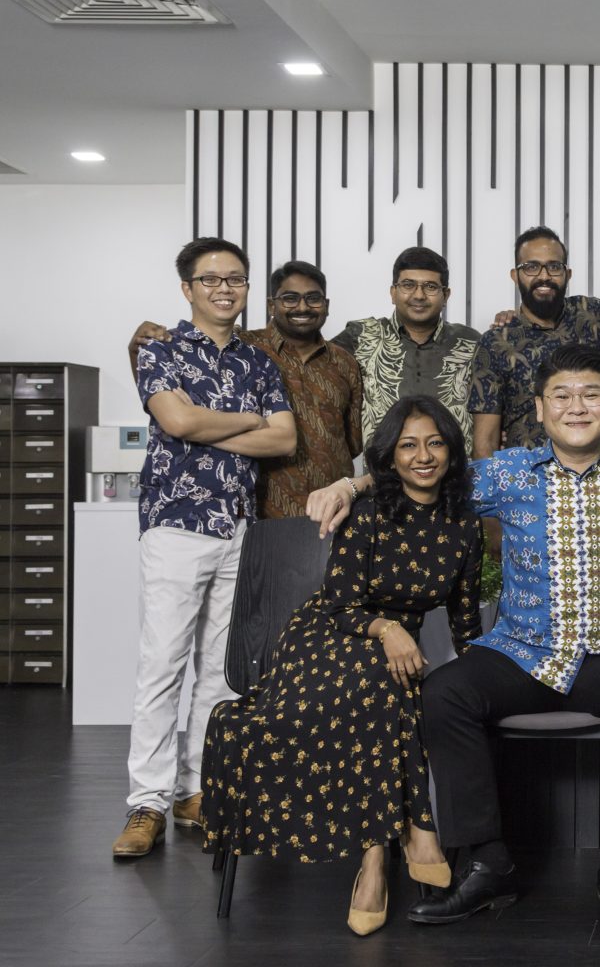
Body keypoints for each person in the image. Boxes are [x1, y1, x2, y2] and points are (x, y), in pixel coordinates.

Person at [200, 395, 483, 936]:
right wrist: (390, 629)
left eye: (434, 443)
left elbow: (465, 620)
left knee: (390, 679)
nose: (423, 456)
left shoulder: (464, 527)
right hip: (327, 639)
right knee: (390, 672)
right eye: (408, 446)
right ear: (391, 457)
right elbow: (340, 604)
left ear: (451, 450)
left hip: (389, 655)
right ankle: (412, 835)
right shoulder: (371, 513)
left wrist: (481, 678)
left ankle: (375, 857)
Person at [112, 236, 296, 858]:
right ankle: (146, 801)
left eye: (236, 279)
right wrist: (246, 420)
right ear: (187, 288)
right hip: (175, 522)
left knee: (220, 670)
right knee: (163, 664)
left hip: (238, 526)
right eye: (211, 279)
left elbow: (284, 440)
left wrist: (205, 424)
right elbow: (177, 422)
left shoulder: (259, 362)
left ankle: (195, 790)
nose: (225, 288)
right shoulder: (158, 349)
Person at [407, 342, 600, 923]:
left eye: (591, 394)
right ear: (539, 409)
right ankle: (489, 867)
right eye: (562, 396)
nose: (577, 407)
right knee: (445, 693)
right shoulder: (511, 471)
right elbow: (423, 476)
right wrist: (350, 486)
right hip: (524, 655)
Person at [128, 259, 362, 518]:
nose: (302, 307)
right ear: (271, 305)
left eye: (313, 298)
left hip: (332, 510)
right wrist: (137, 348)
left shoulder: (345, 363)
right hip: (262, 510)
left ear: (326, 305)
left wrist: (197, 433)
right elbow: (162, 397)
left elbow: (353, 442)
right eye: (290, 298)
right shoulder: (244, 349)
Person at [332, 246, 480, 452]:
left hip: (458, 468)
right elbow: (313, 366)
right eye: (408, 285)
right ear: (393, 293)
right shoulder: (360, 336)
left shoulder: (470, 342)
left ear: (446, 295)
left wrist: (508, 325)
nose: (419, 295)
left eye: (430, 286)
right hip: (382, 469)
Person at [469, 226, 600, 458]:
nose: (544, 276)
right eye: (531, 267)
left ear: (568, 274)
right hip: (526, 473)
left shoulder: (592, 316)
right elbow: (485, 441)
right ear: (515, 275)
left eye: (554, 266)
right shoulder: (497, 342)